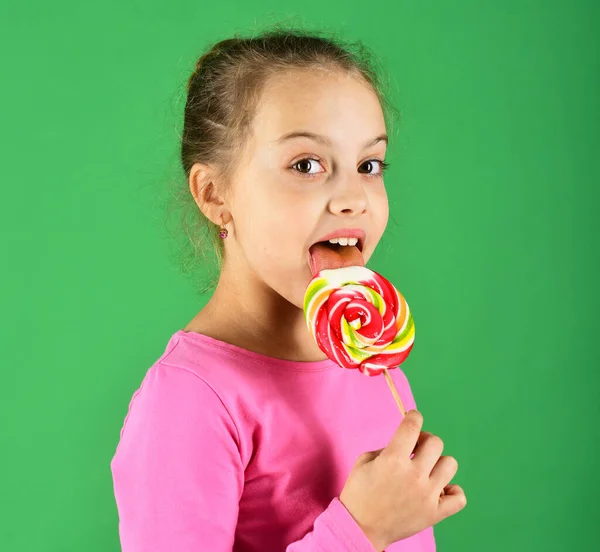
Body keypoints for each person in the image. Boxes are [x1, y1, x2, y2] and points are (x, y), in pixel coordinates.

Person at [110, 26, 467, 552]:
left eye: (370, 165)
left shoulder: (373, 360)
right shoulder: (190, 400)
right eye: (307, 165)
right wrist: (360, 529)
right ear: (215, 195)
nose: (353, 198)